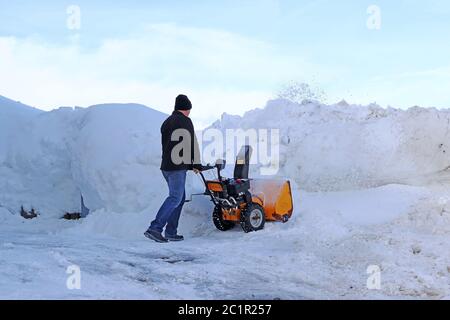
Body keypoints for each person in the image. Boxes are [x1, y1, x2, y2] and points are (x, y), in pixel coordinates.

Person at [144, 94, 202, 243]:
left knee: (179, 198)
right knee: (175, 197)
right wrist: (196, 163)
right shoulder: (186, 121)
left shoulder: (167, 122)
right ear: (186, 108)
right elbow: (191, 143)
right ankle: (155, 228)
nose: (190, 112)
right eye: (189, 109)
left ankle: (171, 231)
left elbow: (172, 145)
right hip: (177, 167)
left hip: (167, 167)